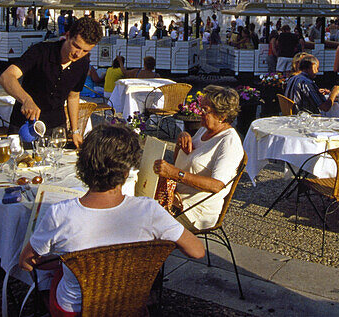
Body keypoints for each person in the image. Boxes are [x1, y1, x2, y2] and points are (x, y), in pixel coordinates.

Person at [21, 124, 204, 315]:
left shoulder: (60, 214)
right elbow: (197, 251)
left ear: (82, 166)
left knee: (53, 276)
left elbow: (26, 263)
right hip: (128, 304)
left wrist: (68, 261)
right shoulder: (149, 210)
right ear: (126, 172)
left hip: (76, 310)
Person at [0, 16, 103, 147]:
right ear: (68, 35)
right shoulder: (40, 51)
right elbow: (6, 77)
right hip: (24, 125)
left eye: (85, 51)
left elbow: (73, 96)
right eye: (76, 46)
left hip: (56, 127)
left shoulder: (83, 63)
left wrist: (75, 130)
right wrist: (26, 100)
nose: (78, 54)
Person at [152, 86, 245, 230]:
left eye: (205, 110)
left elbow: (217, 185)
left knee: (141, 221)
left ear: (222, 116)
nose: (200, 112)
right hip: (175, 198)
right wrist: (181, 139)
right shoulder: (204, 129)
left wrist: (175, 174)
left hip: (194, 212)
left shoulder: (229, 142)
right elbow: (181, 162)